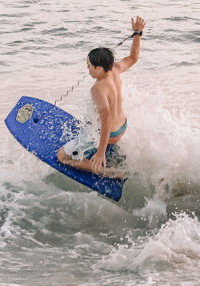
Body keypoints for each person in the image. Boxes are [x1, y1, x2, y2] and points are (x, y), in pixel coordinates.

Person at [57, 16, 145, 176]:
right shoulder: (116, 68)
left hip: (110, 134)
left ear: (99, 68)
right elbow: (133, 58)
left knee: (62, 156)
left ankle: (108, 171)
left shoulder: (98, 88)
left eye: (89, 65)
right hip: (123, 127)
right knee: (92, 117)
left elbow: (106, 118)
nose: (87, 68)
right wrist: (137, 33)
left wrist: (100, 152)